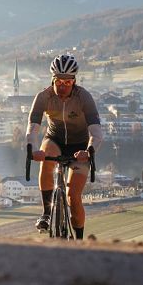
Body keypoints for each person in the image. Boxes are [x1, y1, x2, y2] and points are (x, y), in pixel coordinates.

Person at [25, 53, 104, 239]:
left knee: (73, 197)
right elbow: (32, 127)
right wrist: (33, 148)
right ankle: (46, 213)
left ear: (74, 81)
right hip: (55, 139)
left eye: (68, 82)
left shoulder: (84, 97)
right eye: (59, 81)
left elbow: (96, 131)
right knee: (46, 156)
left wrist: (90, 150)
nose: (63, 86)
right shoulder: (43, 97)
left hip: (80, 146)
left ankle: (78, 240)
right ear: (53, 79)